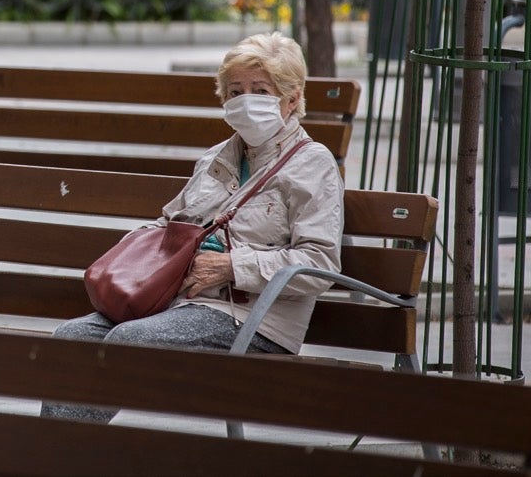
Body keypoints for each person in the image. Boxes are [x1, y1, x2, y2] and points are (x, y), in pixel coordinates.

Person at [43, 31, 344, 423]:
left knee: (129, 341)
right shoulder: (215, 158)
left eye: (260, 90)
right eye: (235, 91)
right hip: (177, 303)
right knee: (71, 339)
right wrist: (144, 252)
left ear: (291, 99)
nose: (246, 101)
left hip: (252, 319)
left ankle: (55, 458)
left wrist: (233, 266)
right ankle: (47, 454)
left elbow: (318, 262)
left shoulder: (312, 164)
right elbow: (169, 224)